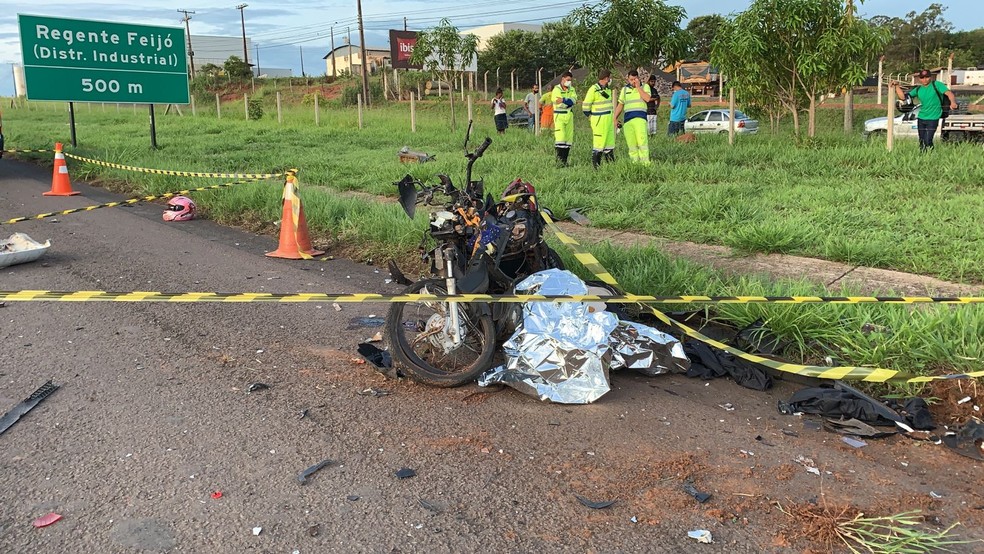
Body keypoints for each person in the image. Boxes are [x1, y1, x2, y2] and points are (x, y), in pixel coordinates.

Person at [893, 69, 958, 151]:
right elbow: (903, 97)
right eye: (922, 77)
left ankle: (931, 154)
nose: (924, 79)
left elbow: (949, 93)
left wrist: (952, 102)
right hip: (921, 117)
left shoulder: (936, 85)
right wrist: (897, 86)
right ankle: (923, 157)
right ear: (919, 79)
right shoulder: (918, 89)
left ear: (930, 77)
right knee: (921, 141)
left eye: (927, 77)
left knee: (928, 140)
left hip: (933, 118)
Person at [614, 69, 653, 165]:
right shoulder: (624, 90)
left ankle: (645, 164)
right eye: (631, 79)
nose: (633, 81)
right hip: (628, 120)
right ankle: (634, 163)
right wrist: (614, 118)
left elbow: (647, 99)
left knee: (642, 142)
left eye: (635, 79)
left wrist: (638, 87)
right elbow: (620, 104)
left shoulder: (645, 87)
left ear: (638, 78)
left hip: (640, 119)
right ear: (628, 79)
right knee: (631, 144)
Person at [581, 69, 615, 168]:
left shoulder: (607, 89)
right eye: (610, 77)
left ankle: (611, 167)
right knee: (599, 145)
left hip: (608, 120)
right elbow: (585, 106)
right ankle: (596, 167)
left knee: (609, 145)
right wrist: (591, 117)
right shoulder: (593, 89)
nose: (611, 80)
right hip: (599, 121)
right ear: (606, 78)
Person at [551, 71, 577, 166]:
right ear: (563, 79)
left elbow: (574, 101)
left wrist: (564, 100)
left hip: (569, 116)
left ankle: (565, 162)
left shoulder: (572, 89)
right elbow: (558, 103)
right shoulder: (556, 90)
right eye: (567, 80)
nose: (569, 82)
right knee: (560, 139)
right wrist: (567, 102)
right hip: (559, 116)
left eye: (570, 80)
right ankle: (559, 162)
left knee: (568, 140)